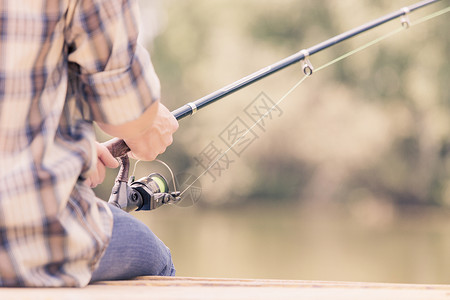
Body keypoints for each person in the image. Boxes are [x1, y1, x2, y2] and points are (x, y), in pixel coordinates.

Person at [0, 0, 178, 287]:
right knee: (159, 259)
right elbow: (131, 115)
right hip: (29, 239)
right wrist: (150, 122)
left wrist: (66, 145)